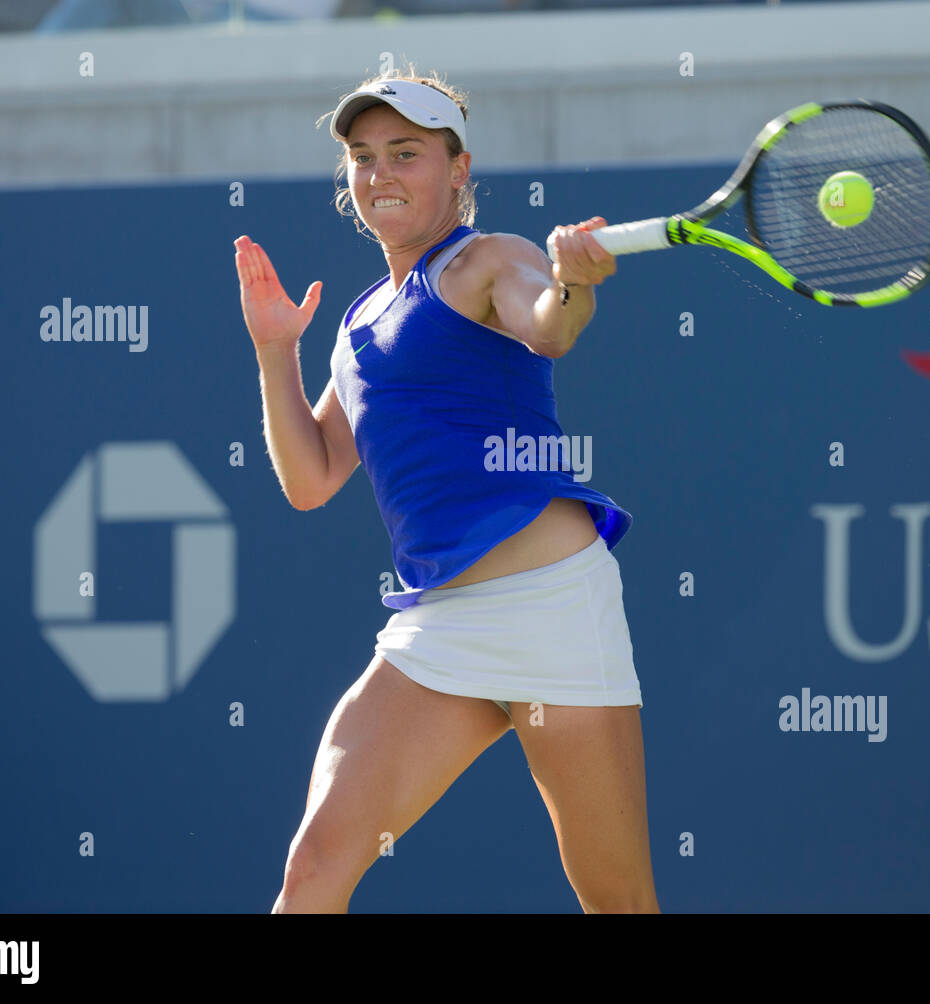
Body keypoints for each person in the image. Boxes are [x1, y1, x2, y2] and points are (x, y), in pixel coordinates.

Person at [235, 67, 659, 913]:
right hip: (436, 630)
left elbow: (551, 327)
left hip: (554, 608)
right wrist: (275, 350)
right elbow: (311, 479)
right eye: (362, 156)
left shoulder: (488, 260)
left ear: (458, 169)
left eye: (406, 153)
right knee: (314, 868)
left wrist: (571, 282)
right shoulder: (355, 328)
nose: (379, 174)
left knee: (616, 900)